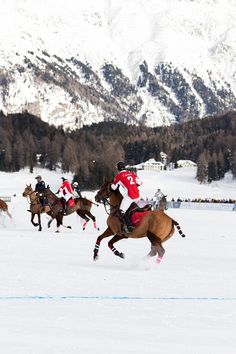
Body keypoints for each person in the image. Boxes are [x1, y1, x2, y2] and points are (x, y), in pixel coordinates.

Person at [111, 161, 142, 232]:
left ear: (118, 168)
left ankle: (129, 226)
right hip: (138, 196)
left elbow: (113, 188)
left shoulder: (118, 176)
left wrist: (113, 183)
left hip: (130, 197)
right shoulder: (131, 173)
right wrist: (133, 186)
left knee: (121, 211)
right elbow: (140, 182)